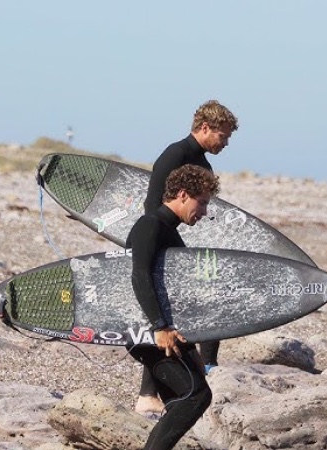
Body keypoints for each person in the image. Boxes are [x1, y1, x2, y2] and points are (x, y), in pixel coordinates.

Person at [136, 100, 239, 415]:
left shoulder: (201, 163)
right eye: (223, 135)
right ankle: (151, 391)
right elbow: (153, 204)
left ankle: (203, 365)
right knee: (174, 310)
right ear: (205, 128)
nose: (225, 142)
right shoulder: (176, 155)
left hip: (170, 236)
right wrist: (165, 246)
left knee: (197, 300)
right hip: (159, 236)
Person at [126, 164, 221, 450]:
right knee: (196, 396)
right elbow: (139, 275)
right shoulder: (151, 225)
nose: (204, 211)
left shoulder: (167, 229)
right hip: (147, 330)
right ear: (182, 195)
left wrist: (193, 349)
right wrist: (160, 326)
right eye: (201, 202)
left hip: (162, 329)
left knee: (183, 399)